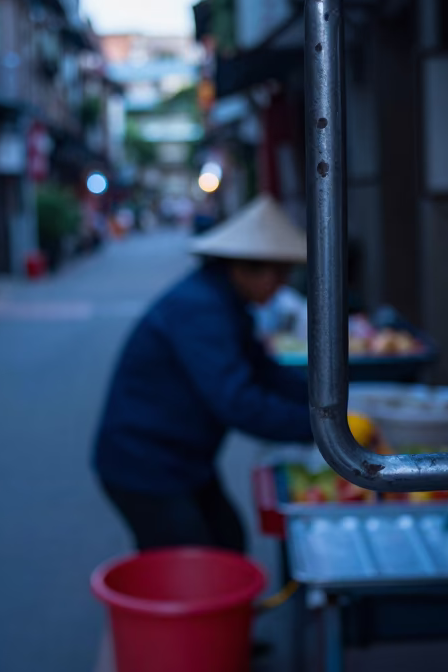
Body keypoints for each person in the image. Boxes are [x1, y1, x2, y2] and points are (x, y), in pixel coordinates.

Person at [93, 195, 314, 553]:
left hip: (183, 458)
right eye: (279, 274)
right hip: (145, 464)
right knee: (191, 563)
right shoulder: (202, 309)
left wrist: (327, 409)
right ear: (243, 269)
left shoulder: (226, 302)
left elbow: (262, 370)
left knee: (227, 541)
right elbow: (238, 402)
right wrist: (319, 430)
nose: (282, 286)